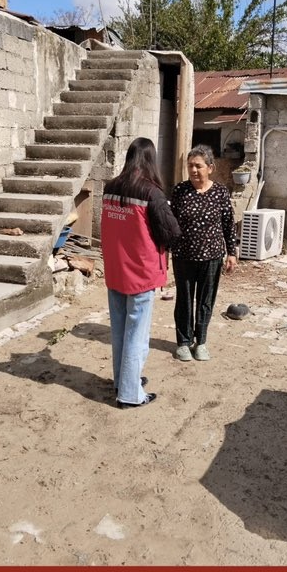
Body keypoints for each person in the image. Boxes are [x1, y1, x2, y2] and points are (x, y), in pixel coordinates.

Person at [101, 136, 181, 408]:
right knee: (137, 333)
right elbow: (171, 232)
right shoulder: (151, 192)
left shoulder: (110, 188)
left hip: (116, 270)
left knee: (119, 330)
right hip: (141, 273)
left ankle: (123, 381)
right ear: (150, 160)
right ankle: (130, 394)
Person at [167, 145, 237, 361]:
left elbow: (228, 223)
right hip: (183, 256)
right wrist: (166, 249)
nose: (194, 170)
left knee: (206, 301)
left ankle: (201, 342)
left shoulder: (220, 192)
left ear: (210, 168)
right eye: (190, 166)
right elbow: (171, 223)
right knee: (184, 300)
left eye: (198, 166)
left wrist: (231, 252)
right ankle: (183, 342)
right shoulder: (180, 191)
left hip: (212, 257)